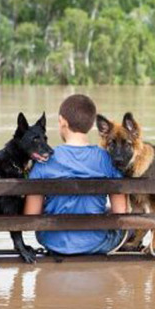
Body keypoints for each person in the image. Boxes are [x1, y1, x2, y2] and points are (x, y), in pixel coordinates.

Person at [23, 94, 127, 255]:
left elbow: (31, 215)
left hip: (53, 242)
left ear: (62, 122)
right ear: (92, 124)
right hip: (97, 243)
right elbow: (121, 213)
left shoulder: (44, 161)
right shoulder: (107, 159)